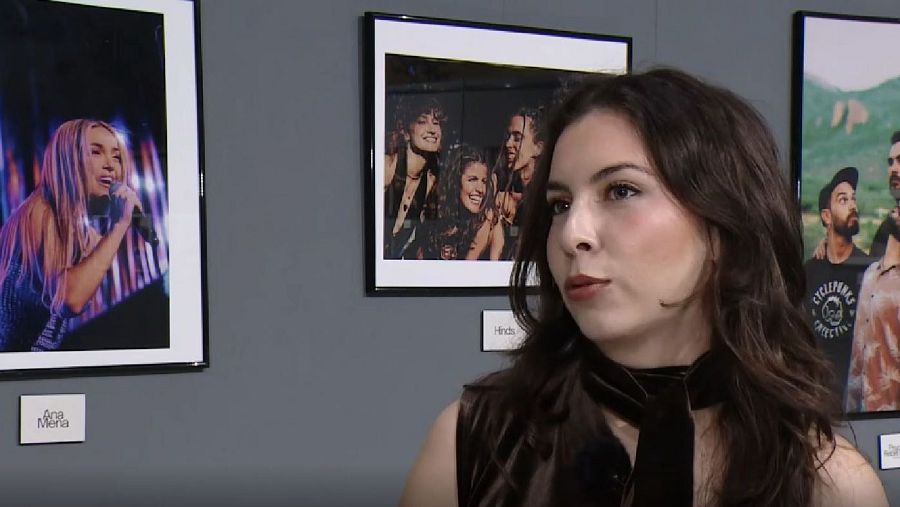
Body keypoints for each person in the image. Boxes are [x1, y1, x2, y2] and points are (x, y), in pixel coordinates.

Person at [399, 69, 887, 507]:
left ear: (723, 224)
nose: (573, 235)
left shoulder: (828, 482)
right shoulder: (473, 442)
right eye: (560, 205)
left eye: (621, 191)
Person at [0, 119, 142, 351]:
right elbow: (69, 300)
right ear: (68, 158)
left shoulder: (81, 231)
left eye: (116, 156)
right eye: (96, 152)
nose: (110, 165)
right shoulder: (40, 210)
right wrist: (119, 226)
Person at [802, 167, 870, 400]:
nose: (853, 205)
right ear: (826, 216)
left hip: (854, 403)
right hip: (813, 399)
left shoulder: (868, 271)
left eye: (853, 199)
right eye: (843, 200)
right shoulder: (808, 272)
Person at [418, 144, 504, 261]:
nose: (481, 189)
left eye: (484, 181)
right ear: (455, 182)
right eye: (472, 179)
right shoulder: (435, 214)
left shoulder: (489, 220)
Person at [383, 95, 444, 259]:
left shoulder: (431, 180)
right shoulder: (387, 166)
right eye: (422, 122)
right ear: (405, 131)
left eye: (436, 123)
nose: (432, 130)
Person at [494, 107, 544, 259]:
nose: (508, 144)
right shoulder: (504, 187)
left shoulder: (544, 195)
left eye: (517, 138)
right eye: (508, 136)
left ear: (538, 148)